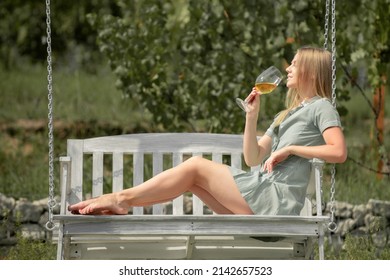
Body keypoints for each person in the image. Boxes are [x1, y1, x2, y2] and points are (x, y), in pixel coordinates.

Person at [69, 46, 347, 216]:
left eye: (295, 63)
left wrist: (290, 149)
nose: (288, 67)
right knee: (192, 179)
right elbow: (252, 158)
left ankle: (120, 198)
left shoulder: (322, 107)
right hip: (262, 196)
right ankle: (120, 201)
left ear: (310, 71)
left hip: (275, 201)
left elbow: (338, 152)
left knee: (196, 167)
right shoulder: (286, 114)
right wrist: (252, 117)